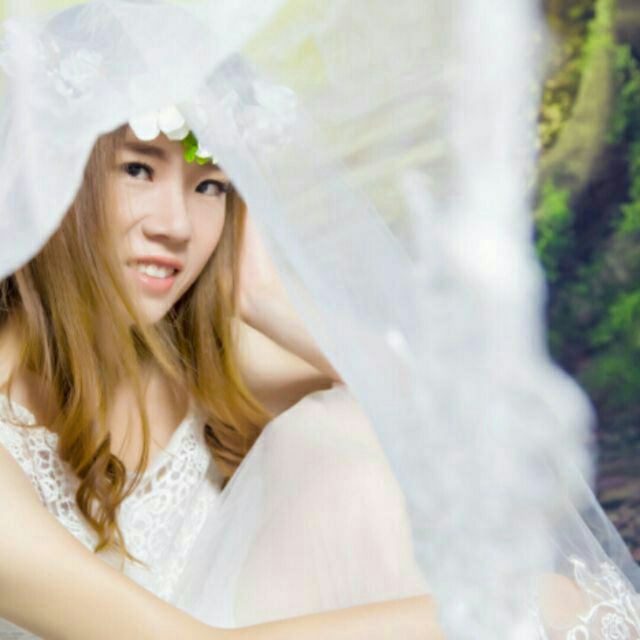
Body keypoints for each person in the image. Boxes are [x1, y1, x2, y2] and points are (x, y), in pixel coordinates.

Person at [1, 1, 640, 639]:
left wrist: (267, 301)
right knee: (541, 607)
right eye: (138, 169)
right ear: (47, 175)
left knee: (349, 425)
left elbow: (466, 438)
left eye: (210, 185)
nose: (176, 226)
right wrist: (521, 608)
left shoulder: (196, 359)